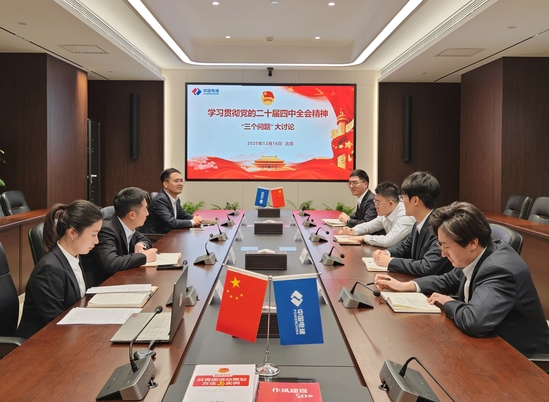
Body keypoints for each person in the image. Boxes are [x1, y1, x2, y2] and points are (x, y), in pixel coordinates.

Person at [374, 202, 549, 357]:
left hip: (520, 358)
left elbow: (474, 321)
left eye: (446, 246)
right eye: (440, 245)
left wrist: (448, 302)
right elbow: (448, 280)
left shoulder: (499, 269)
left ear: (472, 243)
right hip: (488, 343)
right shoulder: (478, 255)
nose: (443, 254)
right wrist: (407, 286)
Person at [17, 200, 103, 339]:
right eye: (93, 234)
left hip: (68, 333)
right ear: (72, 233)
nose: (97, 241)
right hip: (40, 342)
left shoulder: (74, 256)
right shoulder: (49, 270)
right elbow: (56, 323)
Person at [372, 171, 452, 276]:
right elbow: (405, 247)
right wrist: (386, 253)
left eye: (403, 197)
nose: (402, 201)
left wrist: (390, 261)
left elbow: (427, 267)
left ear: (415, 201)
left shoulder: (439, 228)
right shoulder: (418, 223)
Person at [82, 187, 158, 287]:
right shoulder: (106, 230)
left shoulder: (128, 225)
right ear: (132, 215)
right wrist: (143, 257)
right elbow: (111, 263)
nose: (147, 214)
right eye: (145, 210)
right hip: (104, 285)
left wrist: (140, 244)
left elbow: (143, 238)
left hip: (122, 279)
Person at [338, 181, 415, 248]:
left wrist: (364, 238)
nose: (375, 206)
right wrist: (353, 230)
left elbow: (387, 241)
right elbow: (369, 226)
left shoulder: (405, 215)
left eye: (378, 202)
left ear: (390, 203)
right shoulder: (386, 212)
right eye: (375, 201)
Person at [141, 168, 203, 234]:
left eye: (181, 181)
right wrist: (192, 222)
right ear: (165, 184)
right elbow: (171, 222)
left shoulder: (176, 199)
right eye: (176, 181)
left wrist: (195, 218)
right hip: (157, 237)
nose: (180, 184)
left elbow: (182, 214)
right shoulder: (160, 200)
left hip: (169, 234)